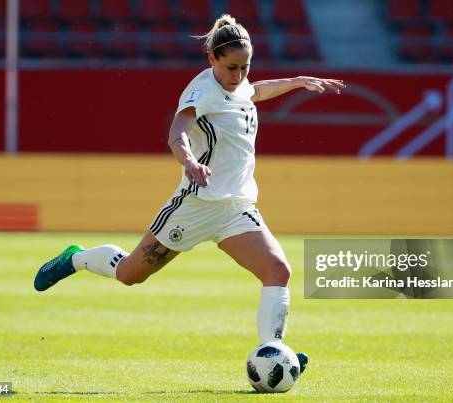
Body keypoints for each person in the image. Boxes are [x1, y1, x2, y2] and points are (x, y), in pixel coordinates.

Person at [34, 14, 344, 375]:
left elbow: (255, 91)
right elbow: (176, 133)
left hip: (236, 208)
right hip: (195, 205)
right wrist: (191, 163)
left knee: (277, 270)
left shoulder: (238, 84)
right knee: (131, 274)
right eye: (232, 67)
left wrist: (296, 81)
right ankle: (75, 258)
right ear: (211, 58)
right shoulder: (202, 91)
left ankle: (273, 351)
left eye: (246, 67)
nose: (239, 75)